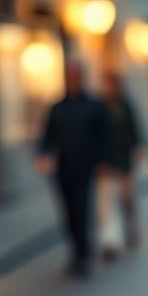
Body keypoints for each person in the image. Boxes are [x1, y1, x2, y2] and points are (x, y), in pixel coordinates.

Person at [37, 58, 113, 278]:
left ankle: (84, 254)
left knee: (82, 210)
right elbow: (47, 136)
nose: (73, 80)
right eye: (70, 76)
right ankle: (75, 251)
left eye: (76, 76)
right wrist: (42, 155)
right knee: (68, 212)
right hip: (63, 168)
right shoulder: (58, 108)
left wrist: (104, 162)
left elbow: (105, 136)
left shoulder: (94, 106)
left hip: (86, 166)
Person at [99, 71, 143, 252]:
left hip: (124, 158)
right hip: (106, 161)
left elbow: (134, 129)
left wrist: (138, 148)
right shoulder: (100, 106)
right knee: (107, 200)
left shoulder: (125, 105)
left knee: (127, 197)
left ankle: (130, 225)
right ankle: (110, 239)